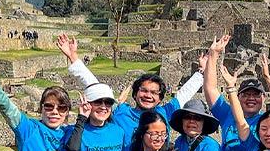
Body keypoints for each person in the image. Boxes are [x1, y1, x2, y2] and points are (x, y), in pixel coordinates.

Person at [58, 34, 205, 139]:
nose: (148, 95)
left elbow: (184, 93)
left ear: (160, 98)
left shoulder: (165, 113)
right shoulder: (120, 111)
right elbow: (97, 87)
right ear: (135, 94)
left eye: (154, 93)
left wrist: (201, 71)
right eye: (144, 90)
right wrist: (74, 58)